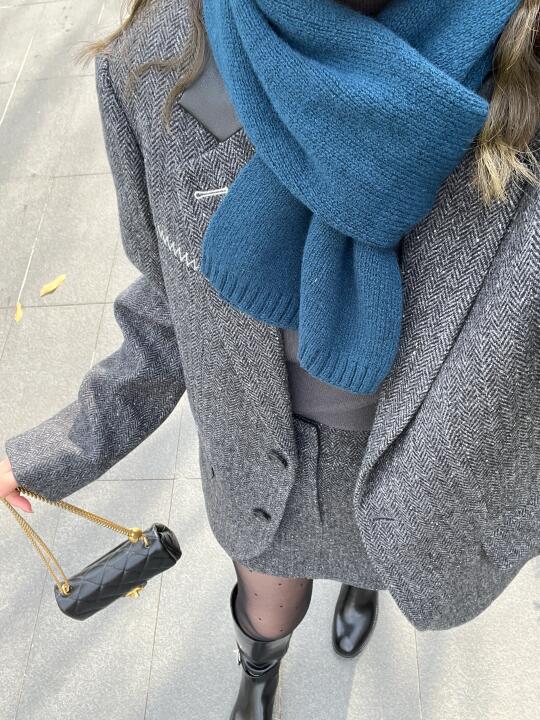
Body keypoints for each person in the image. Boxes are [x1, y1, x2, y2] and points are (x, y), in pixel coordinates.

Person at [1, 1, 539, 718]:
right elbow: (172, 300)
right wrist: (56, 449)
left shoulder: (520, 69)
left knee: (380, 557)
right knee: (267, 612)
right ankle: (260, 670)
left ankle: (363, 589)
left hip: (410, 488)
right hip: (261, 480)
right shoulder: (154, 63)